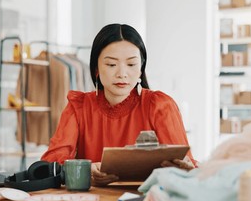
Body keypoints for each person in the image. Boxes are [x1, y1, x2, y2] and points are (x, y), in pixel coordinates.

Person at [41, 23, 196, 186]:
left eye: (131, 64)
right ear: (96, 69)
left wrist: (187, 169)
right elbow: (50, 166)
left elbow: (186, 165)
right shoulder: (78, 107)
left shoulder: (160, 106)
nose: (122, 74)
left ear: (141, 68)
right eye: (111, 65)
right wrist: (87, 171)